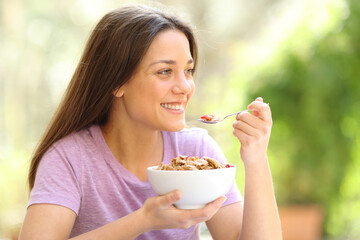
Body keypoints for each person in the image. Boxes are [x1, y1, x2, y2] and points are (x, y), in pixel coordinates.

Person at [19, 4, 282, 240]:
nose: (185, 86)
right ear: (117, 82)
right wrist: (143, 220)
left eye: (188, 71)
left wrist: (256, 157)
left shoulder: (196, 153)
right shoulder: (69, 159)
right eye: (165, 71)